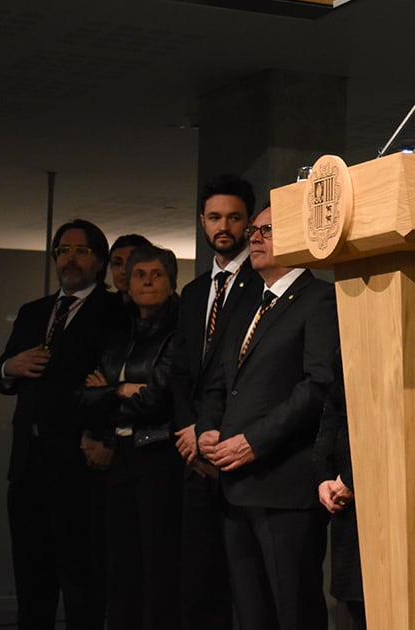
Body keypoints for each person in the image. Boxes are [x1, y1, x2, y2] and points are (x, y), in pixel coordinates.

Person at [197, 206, 336, 630]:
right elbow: (220, 379)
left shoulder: (321, 299)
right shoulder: (247, 305)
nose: (254, 238)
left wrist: (253, 442)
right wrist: (208, 429)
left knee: (293, 610)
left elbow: (317, 387)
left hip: (284, 486)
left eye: (268, 230)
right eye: (254, 230)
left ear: (298, 237)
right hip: (234, 484)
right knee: (250, 613)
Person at [0, 219, 126, 630]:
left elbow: (115, 384)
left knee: (82, 582)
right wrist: (8, 368)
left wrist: (104, 437)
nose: (70, 258)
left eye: (81, 250)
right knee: (32, 580)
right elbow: (1, 377)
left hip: (80, 465)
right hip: (28, 467)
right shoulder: (34, 312)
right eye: (63, 250)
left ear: (99, 261)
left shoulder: (115, 310)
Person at [169, 174, 259, 630]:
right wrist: (189, 431)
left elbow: (243, 374)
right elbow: (181, 371)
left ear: (248, 223)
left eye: (234, 217)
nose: (224, 226)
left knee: (245, 587)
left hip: (236, 447)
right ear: (203, 223)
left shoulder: (264, 283)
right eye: (215, 217)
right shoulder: (191, 292)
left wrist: (211, 432)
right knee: (197, 583)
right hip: (193, 453)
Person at [79, 245, 183, 630]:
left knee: (158, 566)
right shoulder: (120, 334)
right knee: (121, 566)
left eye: (156, 274)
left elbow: (157, 400)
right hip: (119, 455)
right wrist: (122, 390)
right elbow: (84, 397)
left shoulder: (178, 334)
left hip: (158, 456)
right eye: (140, 275)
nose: (148, 281)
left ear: (172, 282)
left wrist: (108, 391)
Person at [315, 345, 364, 630]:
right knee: (357, 606)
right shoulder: (350, 341)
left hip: (383, 492)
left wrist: (352, 478)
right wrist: (323, 474)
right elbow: (333, 408)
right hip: (344, 496)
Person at [108, 233, 153, 302]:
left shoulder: (169, 309)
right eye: (118, 264)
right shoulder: (102, 307)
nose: (124, 271)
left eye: (132, 263)